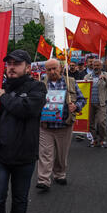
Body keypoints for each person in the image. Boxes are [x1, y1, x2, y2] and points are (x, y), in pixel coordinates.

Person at [0, 50, 47, 213]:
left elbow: (26, 109)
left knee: (20, 199)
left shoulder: (37, 88)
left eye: (17, 63)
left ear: (28, 67)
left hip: (24, 157)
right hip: (0, 157)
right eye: (9, 64)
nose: (11, 67)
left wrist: (3, 97)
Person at [36, 59, 86, 192]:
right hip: (46, 126)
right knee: (45, 154)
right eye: (49, 70)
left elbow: (82, 99)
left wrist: (75, 106)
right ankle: (43, 180)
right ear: (45, 71)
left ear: (61, 68)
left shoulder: (70, 82)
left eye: (54, 69)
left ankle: (59, 174)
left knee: (61, 154)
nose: (52, 72)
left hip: (64, 125)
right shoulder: (40, 84)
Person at [84, 59, 107, 148]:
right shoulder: (87, 76)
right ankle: (94, 140)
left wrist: (105, 79)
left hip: (101, 103)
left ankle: (103, 140)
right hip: (90, 103)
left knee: (101, 122)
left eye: (98, 65)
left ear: (101, 66)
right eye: (94, 65)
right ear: (92, 66)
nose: (96, 67)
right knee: (90, 123)